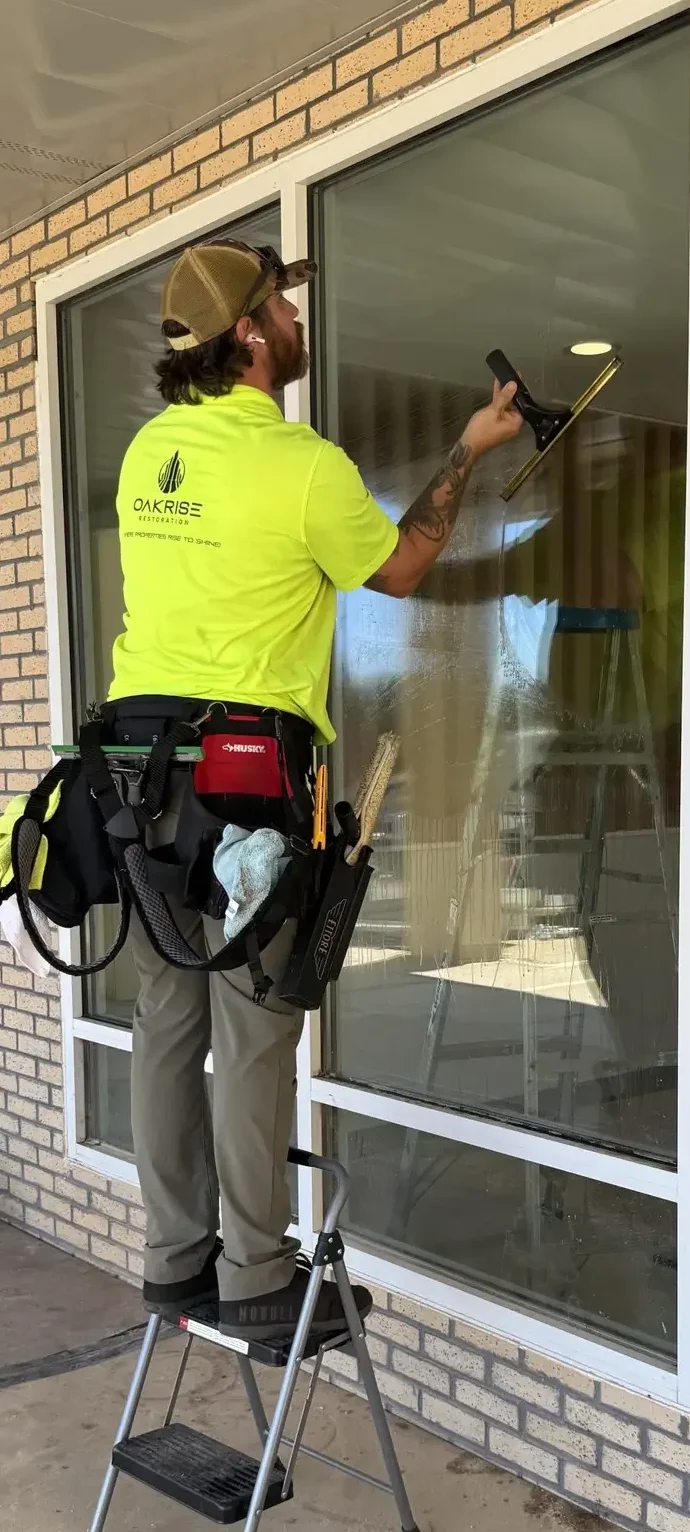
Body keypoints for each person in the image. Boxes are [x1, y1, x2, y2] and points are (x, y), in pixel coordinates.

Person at [107, 238, 523, 1342]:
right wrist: (469, 446)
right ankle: (256, 1275)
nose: (297, 319)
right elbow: (403, 565)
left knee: (166, 1016)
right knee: (252, 1026)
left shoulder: (149, 452)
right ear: (250, 333)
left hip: (136, 779)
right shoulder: (299, 463)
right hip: (242, 778)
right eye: (283, 307)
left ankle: (174, 1260)